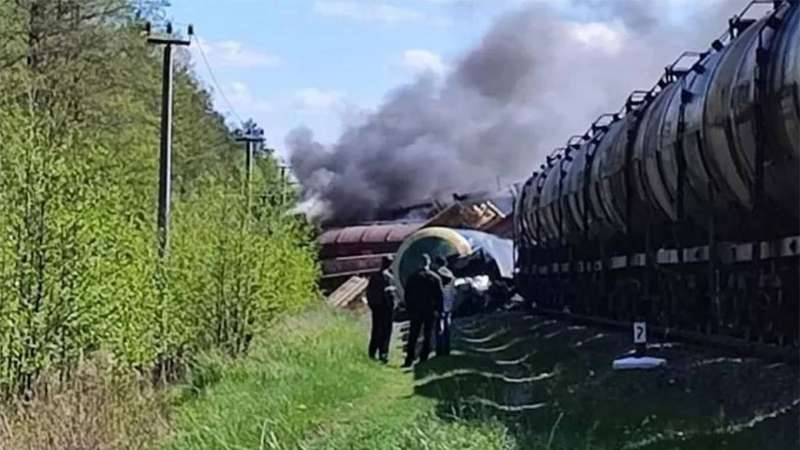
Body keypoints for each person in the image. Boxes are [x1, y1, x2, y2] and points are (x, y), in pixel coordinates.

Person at [402, 254, 443, 367]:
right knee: (427, 334)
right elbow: (439, 296)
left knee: (413, 334)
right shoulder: (435, 277)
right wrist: (439, 310)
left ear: (419, 263)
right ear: (428, 263)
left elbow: (407, 295)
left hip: (416, 310)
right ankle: (424, 357)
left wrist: (408, 308)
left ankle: (409, 358)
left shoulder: (413, 277)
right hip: (430, 310)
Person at [367, 257, 395, 363]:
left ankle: (372, 352)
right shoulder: (390, 277)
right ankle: (383, 353)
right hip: (386, 308)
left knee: (376, 330)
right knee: (386, 331)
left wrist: (372, 305)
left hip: (377, 308)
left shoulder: (374, 276)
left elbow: (369, 292)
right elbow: (393, 294)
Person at [435, 257, 455, 356]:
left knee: (439, 327)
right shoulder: (450, 274)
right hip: (449, 303)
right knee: (447, 326)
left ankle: (439, 349)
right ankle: (447, 348)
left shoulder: (437, 274)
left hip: (440, 303)